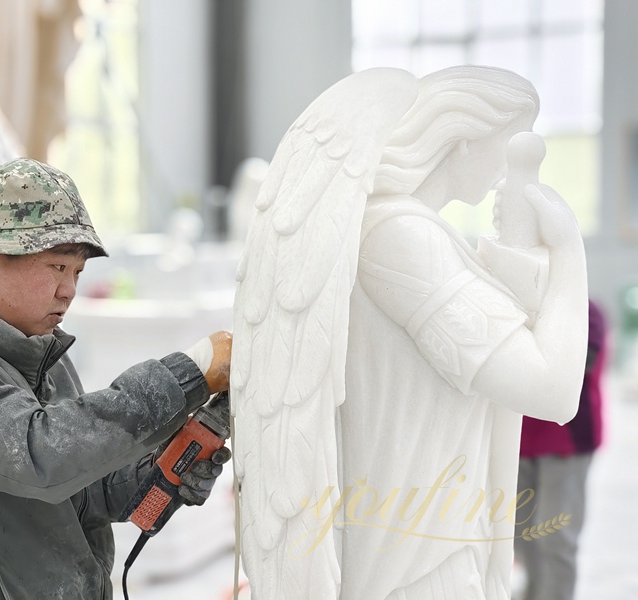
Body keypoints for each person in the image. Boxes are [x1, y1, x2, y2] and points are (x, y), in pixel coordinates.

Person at [232, 66, 588, 600]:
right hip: (418, 561)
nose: (504, 171)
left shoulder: (394, 231)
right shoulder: (403, 239)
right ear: (464, 140)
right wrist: (568, 252)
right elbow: (551, 390)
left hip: (420, 539)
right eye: (506, 146)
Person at [0, 157, 233, 599]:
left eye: (77, 272)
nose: (69, 289)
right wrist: (190, 372)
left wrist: (162, 468)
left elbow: (85, 493)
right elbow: (41, 457)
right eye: (56, 267)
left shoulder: (41, 357)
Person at [514, 299, 607, 600]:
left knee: (555, 536)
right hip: (522, 439)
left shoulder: (584, 307)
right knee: (522, 533)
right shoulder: (516, 303)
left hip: (565, 438)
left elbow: (581, 364)